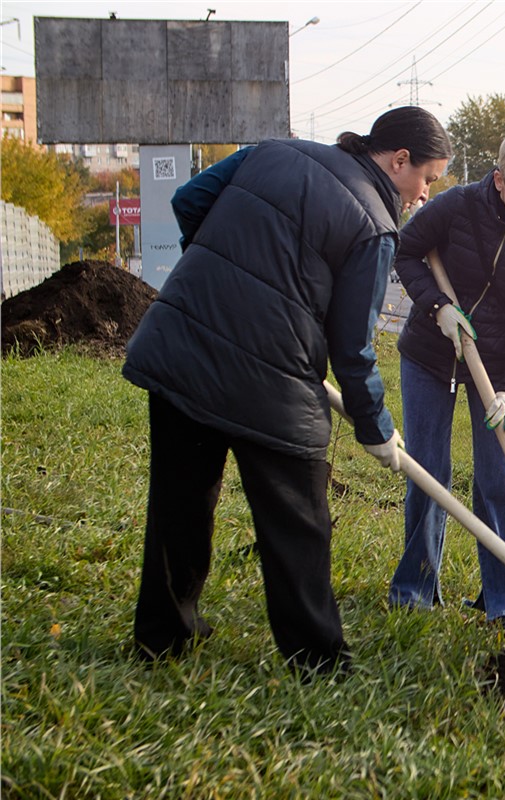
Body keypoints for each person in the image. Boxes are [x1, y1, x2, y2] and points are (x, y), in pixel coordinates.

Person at [123, 107, 452, 673]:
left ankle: (163, 637)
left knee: (180, 500)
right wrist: (377, 429)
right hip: (270, 384)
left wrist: (229, 273)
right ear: (400, 161)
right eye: (427, 179)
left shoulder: (273, 150)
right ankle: (318, 661)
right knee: (298, 523)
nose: (423, 195)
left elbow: (188, 202)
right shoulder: (375, 224)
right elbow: (351, 348)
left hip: (182, 347)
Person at [388, 125, 505, 633]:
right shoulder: (457, 206)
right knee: (429, 474)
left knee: (500, 481)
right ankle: (414, 591)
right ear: (498, 180)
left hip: (498, 369)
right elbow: (407, 251)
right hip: (430, 354)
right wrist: (439, 307)